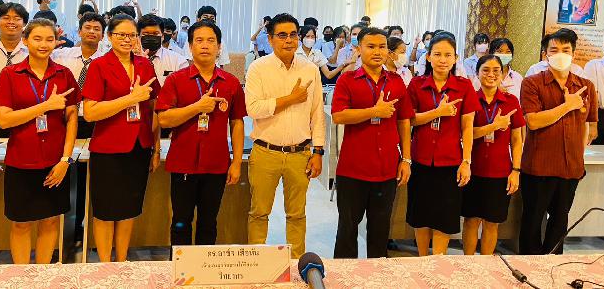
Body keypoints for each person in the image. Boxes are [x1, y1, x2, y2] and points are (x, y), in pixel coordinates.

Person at [0, 18, 80, 264]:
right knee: (21, 223)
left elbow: (71, 119)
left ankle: (43, 274)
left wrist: (65, 160)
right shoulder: (11, 74)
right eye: (37, 38)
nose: (44, 44)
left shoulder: (64, 74)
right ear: (25, 40)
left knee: (50, 220)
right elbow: (4, 120)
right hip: (21, 160)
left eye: (49, 39)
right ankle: (23, 276)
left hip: (55, 162)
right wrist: (45, 106)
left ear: (57, 42)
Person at [156, 20, 247, 247]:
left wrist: (236, 162)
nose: (205, 45)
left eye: (211, 40)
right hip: (183, 163)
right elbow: (164, 119)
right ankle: (180, 266)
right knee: (181, 222)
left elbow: (237, 123)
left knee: (209, 222)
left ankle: (204, 267)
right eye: (199, 40)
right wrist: (197, 107)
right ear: (190, 46)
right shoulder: (176, 80)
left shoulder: (231, 83)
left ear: (219, 47)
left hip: (216, 164)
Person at [81, 14, 161, 262]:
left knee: (129, 209)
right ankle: (105, 265)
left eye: (132, 35)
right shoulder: (99, 65)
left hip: (139, 146)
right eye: (121, 35)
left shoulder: (145, 65)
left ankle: (122, 261)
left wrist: (156, 148)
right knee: (105, 211)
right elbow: (91, 112)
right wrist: (130, 99)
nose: (127, 40)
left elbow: (153, 108)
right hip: (108, 148)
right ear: (109, 36)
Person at [245, 13, 325, 259]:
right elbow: (253, 109)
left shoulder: (310, 70)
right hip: (265, 151)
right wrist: (291, 99)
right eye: (282, 35)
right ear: (270, 39)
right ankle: (256, 261)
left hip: (299, 153)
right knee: (259, 213)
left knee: (297, 214)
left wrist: (318, 151)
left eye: (293, 35)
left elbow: (317, 114)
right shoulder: (258, 68)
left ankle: (296, 262)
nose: (288, 40)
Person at [331, 27, 414, 258]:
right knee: (347, 229)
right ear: (359, 49)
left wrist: (406, 159)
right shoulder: (347, 80)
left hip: (386, 168)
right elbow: (339, 115)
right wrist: (373, 111)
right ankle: (344, 274)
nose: (377, 52)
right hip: (353, 169)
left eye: (382, 47)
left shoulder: (396, 82)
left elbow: (404, 121)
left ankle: (377, 274)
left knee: (380, 230)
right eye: (371, 46)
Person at [519, 29, 598, 255]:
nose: (560, 54)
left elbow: (591, 128)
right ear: (545, 54)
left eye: (566, 50)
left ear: (573, 53)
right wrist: (567, 106)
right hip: (539, 166)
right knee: (533, 220)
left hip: (570, 167)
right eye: (554, 50)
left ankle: (553, 264)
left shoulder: (586, 86)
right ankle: (529, 265)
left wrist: (578, 153)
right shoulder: (532, 83)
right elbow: (533, 122)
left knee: (560, 221)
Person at [406, 32, 480, 256]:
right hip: (420, 159)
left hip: (450, 161)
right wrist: (437, 112)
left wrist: (466, 161)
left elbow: (468, 127)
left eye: (448, 55)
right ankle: (422, 259)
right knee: (420, 215)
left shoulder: (464, 86)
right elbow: (409, 120)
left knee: (444, 217)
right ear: (428, 57)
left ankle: (437, 262)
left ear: (456, 58)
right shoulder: (417, 84)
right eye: (437, 54)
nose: (443, 60)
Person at [51, 12, 107, 243]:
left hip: (95, 121)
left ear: (103, 35)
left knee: (88, 177)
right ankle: (66, 229)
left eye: (97, 28)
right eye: (88, 27)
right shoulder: (61, 55)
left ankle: (82, 228)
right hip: (65, 120)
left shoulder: (108, 59)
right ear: (79, 30)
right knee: (65, 172)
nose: (92, 31)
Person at [461, 55, 524, 255]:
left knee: (492, 222)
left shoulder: (511, 101)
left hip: (500, 171)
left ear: (502, 74)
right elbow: (465, 134)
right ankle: (468, 263)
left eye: (496, 70)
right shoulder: (470, 99)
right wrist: (493, 126)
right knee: (471, 221)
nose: (491, 74)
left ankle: (485, 265)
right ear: (477, 73)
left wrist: (516, 170)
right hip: (473, 170)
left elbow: (517, 140)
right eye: (486, 70)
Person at [137, 14, 188, 86]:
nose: (151, 37)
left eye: (155, 34)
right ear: (138, 36)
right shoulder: (131, 59)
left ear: (163, 36)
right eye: (146, 34)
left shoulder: (178, 61)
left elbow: (183, 87)